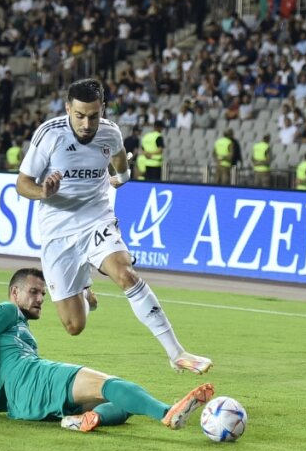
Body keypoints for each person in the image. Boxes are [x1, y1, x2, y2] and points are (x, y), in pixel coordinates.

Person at [16, 79, 211, 374]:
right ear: (68, 108)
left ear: (101, 110)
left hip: (97, 218)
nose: (86, 123)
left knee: (126, 274)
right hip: (58, 230)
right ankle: (84, 290)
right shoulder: (49, 135)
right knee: (74, 326)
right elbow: (22, 184)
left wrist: (121, 177)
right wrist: (43, 191)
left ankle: (176, 352)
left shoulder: (109, 132)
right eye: (79, 115)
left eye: (93, 116)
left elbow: (120, 164)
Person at [0, 268, 215, 433]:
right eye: (33, 292)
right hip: (34, 378)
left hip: (23, 405)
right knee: (116, 385)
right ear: (14, 293)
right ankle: (167, 412)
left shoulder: (10, 335)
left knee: (123, 406)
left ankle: (77, 420)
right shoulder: (4, 310)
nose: (40, 299)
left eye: (43, 294)